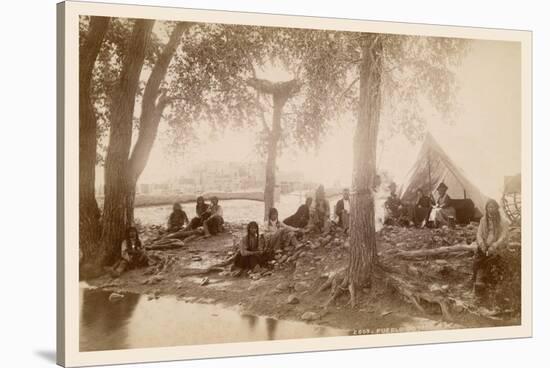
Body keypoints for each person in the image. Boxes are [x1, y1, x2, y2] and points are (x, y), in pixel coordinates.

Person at [471, 199, 509, 292]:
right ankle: (479, 278)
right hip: (486, 245)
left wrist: (495, 245)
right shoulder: (483, 220)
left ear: (497, 208)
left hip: (497, 246)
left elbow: (503, 236)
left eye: (493, 207)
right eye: (489, 207)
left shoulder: (503, 221)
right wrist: (481, 244)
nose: (490, 209)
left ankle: (492, 280)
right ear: (486, 209)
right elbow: (479, 234)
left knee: (493, 259)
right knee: (480, 257)